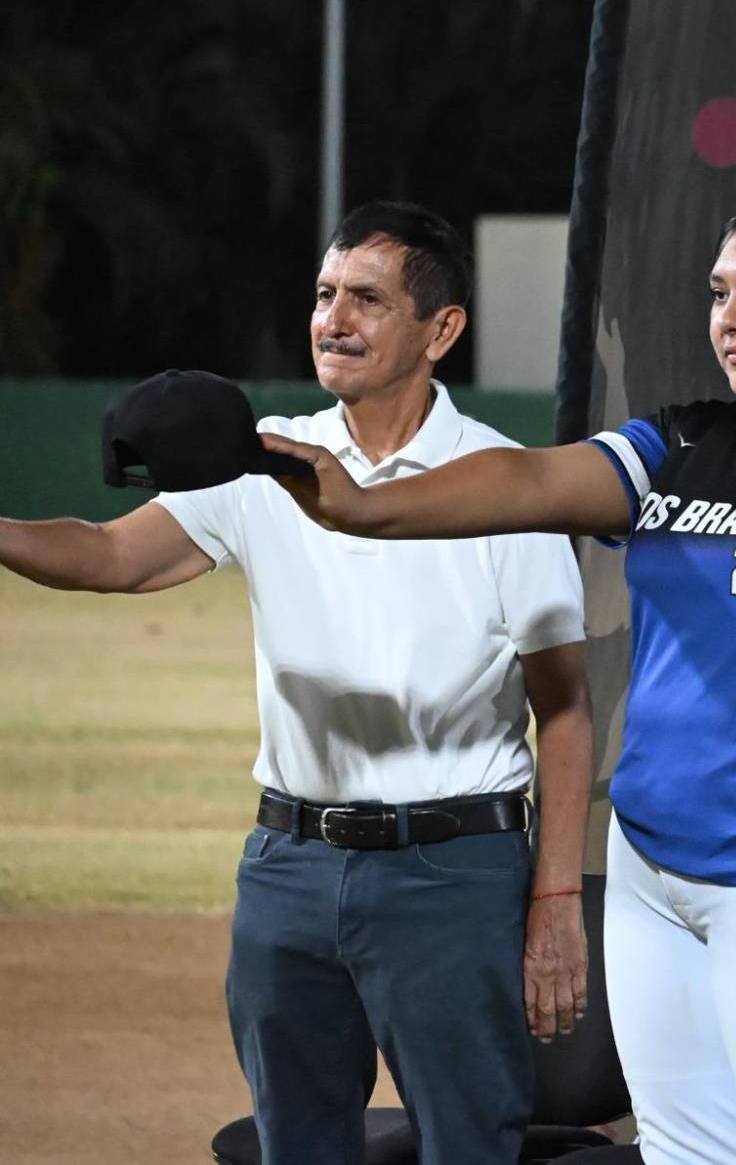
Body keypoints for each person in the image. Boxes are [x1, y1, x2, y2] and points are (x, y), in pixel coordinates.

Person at [262, 193, 736, 1165]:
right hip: (652, 866)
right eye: (719, 293)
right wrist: (359, 504)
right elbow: (531, 482)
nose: (731, 317)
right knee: (682, 1149)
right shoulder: (687, 440)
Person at [0, 202, 592, 1165]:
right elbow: (110, 555)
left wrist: (554, 897)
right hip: (289, 867)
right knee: (296, 1145)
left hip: (452, 872)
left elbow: (563, 710)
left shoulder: (500, 482)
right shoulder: (263, 460)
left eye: (367, 299)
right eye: (324, 295)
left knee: (469, 1144)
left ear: (440, 330)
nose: (334, 320)